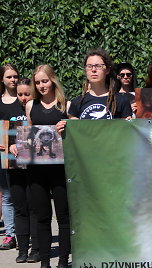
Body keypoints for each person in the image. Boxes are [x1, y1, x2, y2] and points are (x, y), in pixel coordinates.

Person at [24, 65, 72, 268]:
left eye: (45, 81)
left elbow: (74, 137)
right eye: (38, 82)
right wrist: (18, 146)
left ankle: (62, 261)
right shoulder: (30, 106)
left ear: (53, 80)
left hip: (61, 169)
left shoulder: (66, 106)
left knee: (63, 217)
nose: (42, 85)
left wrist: (67, 127)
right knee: (42, 217)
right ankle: (44, 262)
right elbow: (27, 135)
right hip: (37, 171)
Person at [7, 78, 40, 263]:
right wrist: (9, 145)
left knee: (34, 207)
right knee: (20, 208)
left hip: (34, 166)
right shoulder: (10, 110)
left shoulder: (37, 108)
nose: (23, 97)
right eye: (20, 94)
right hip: (14, 166)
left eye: (27, 94)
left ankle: (36, 249)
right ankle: (22, 250)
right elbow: (5, 136)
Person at [57, 49, 132, 130]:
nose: (93, 70)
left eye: (98, 66)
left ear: (107, 70)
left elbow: (127, 134)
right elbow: (75, 136)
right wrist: (62, 130)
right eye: (89, 66)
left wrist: (130, 125)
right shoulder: (77, 103)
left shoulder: (121, 101)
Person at [0, 64, 20, 250]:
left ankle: (25, 234)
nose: (13, 80)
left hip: (24, 154)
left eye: (15, 76)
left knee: (23, 195)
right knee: (6, 196)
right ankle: (9, 234)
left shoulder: (24, 99)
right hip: (4, 156)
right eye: (9, 77)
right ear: (2, 80)